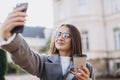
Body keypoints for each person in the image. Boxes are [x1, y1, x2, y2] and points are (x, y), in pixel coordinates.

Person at [0, 5, 95, 80]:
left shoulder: (86, 67)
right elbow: (26, 57)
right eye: (58, 34)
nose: (60, 38)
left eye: (66, 35)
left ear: (75, 40)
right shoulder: (44, 62)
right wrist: (11, 36)